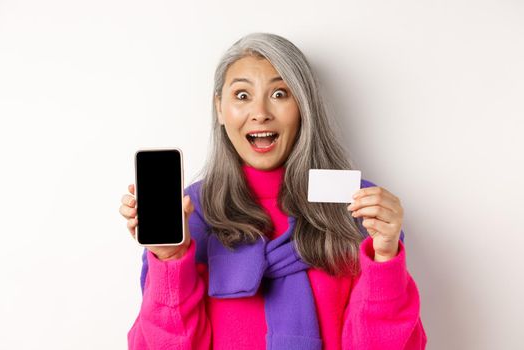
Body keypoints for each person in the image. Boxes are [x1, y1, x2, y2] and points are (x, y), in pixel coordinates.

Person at [119, 32, 427, 350]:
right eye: (241, 96)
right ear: (220, 109)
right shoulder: (189, 214)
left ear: (303, 106)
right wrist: (169, 258)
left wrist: (386, 259)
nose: (261, 112)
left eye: (280, 93)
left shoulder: (356, 205)